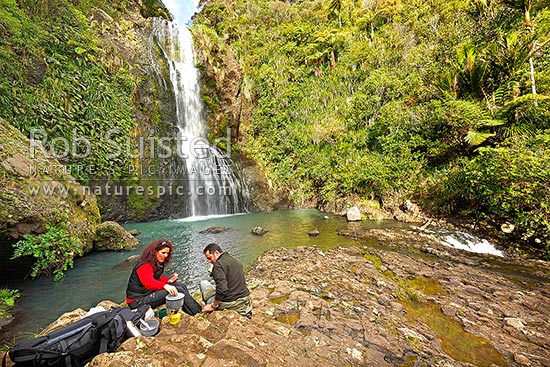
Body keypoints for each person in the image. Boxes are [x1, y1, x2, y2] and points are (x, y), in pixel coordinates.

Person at [125, 239, 201, 316]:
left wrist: (169, 281)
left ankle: (189, 309)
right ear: (154, 252)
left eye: (167, 253)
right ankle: (197, 312)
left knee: (181, 285)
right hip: (137, 301)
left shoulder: (154, 263)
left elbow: (156, 278)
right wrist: (165, 286)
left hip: (147, 293)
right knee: (178, 290)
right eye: (163, 253)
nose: (165, 255)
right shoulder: (144, 265)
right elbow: (148, 283)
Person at [200, 243, 252, 318]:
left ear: (216, 253)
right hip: (244, 299)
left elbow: (222, 289)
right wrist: (213, 271)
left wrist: (213, 306)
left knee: (203, 284)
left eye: (210, 258)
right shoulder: (233, 260)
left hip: (232, 302)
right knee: (213, 288)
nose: (209, 261)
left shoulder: (218, 266)